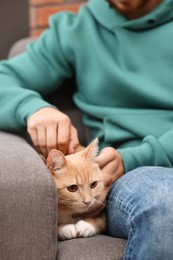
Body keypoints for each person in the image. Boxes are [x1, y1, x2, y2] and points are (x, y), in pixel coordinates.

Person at [0, 0, 173, 258]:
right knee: (166, 202)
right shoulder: (77, 29)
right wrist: (33, 108)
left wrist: (140, 155)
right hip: (134, 178)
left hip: (139, 161)